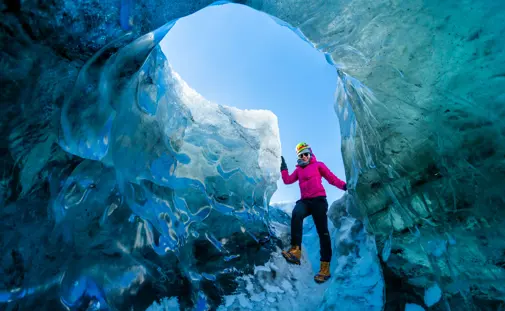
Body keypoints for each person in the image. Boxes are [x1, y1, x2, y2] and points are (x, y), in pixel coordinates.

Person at [280, 142, 347, 283]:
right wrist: (283, 167)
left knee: (323, 232)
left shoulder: (318, 165)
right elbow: (287, 181)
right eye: (301, 155)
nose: (304, 156)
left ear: (310, 154)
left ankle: (325, 268)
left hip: (319, 201)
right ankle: (296, 251)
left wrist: (345, 186)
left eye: (306, 154)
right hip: (305, 202)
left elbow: (332, 179)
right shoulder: (298, 170)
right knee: (297, 213)